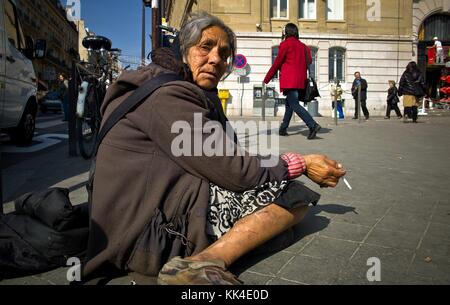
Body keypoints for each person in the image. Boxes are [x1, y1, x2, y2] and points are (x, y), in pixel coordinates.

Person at [82, 13, 346, 285]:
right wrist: (300, 163)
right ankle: (202, 263)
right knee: (293, 196)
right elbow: (235, 170)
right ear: (184, 50)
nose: (216, 59)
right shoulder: (168, 94)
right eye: (205, 47)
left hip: (137, 212)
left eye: (224, 52)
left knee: (281, 219)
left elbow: (224, 153)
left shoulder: (171, 84)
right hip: (140, 235)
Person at [263, 23, 321, 140]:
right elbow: (309, 61)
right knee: (289, 105)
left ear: (286, 32)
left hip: (289, 81)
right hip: (300, 81)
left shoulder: (285, 44)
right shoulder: (303, 46)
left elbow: (277, 63)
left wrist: (267, 79)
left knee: (294, 104)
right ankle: (283, 128)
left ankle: (312, 125)